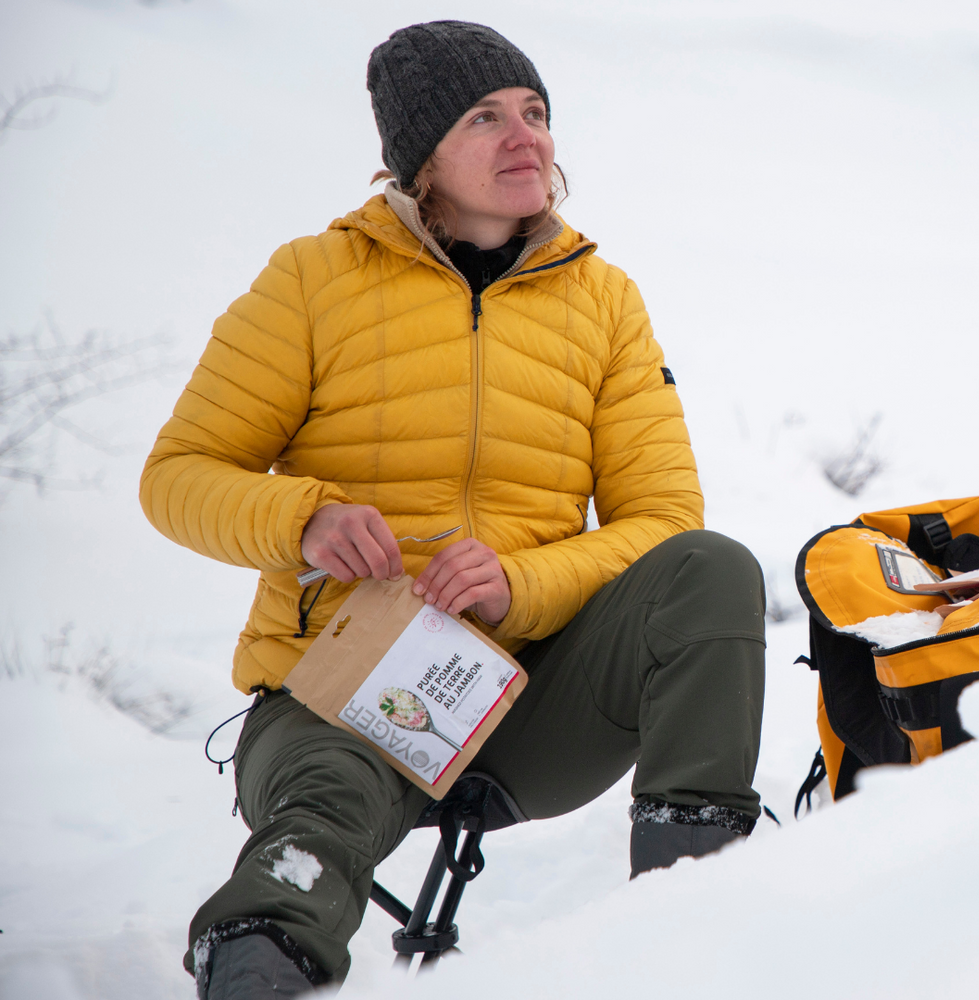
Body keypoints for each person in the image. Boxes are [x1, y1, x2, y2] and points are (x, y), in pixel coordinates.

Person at [140, 20, 766, 999]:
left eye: (536, 112)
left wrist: (519, 584)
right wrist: (303, 520)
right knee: (320, 818)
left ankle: (694, 931)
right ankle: (257, 965)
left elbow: (664, 520)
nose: (527, 138)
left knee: (712, 569)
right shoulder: (312, 279)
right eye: (485, 116)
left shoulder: (604, 300)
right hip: (341, 700)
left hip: (531, 700)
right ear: (420, 153)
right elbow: (178, 476)